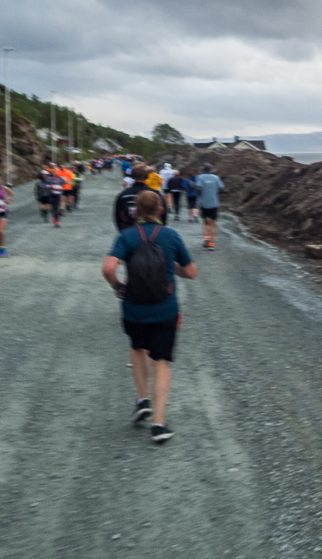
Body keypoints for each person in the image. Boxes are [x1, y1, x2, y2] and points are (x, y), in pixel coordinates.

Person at [101, 191, 196, 444]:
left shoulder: (126, 236)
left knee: (137, 348)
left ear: (135, 212)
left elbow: (108, 268)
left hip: (133, 308)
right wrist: (172, 268)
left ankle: (142, 399)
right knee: (162, 361)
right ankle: (159, 423)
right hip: (166, 309)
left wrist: (118, 287)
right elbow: (191, 272)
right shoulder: (171, 236)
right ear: (160, 210)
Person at [113, 166, 163, 231]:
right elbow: (162, 214)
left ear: (132, 175)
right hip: (153, 233)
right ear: (147, 175)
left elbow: (118, 216)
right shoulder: (155, 194)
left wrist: (122, 232)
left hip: (128, 231)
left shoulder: (124, 195)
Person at [195, 163, 225, 250]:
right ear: (211, 169)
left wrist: (200, 198)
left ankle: (206, 239)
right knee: (213, 223)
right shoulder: (216, 178)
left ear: (203, 169)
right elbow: (221, 189)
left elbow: (198, 189)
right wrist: (216, 195)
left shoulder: (200, 177)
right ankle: (211, 244)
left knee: (205, 222)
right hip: (214, 203)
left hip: (204, 203)